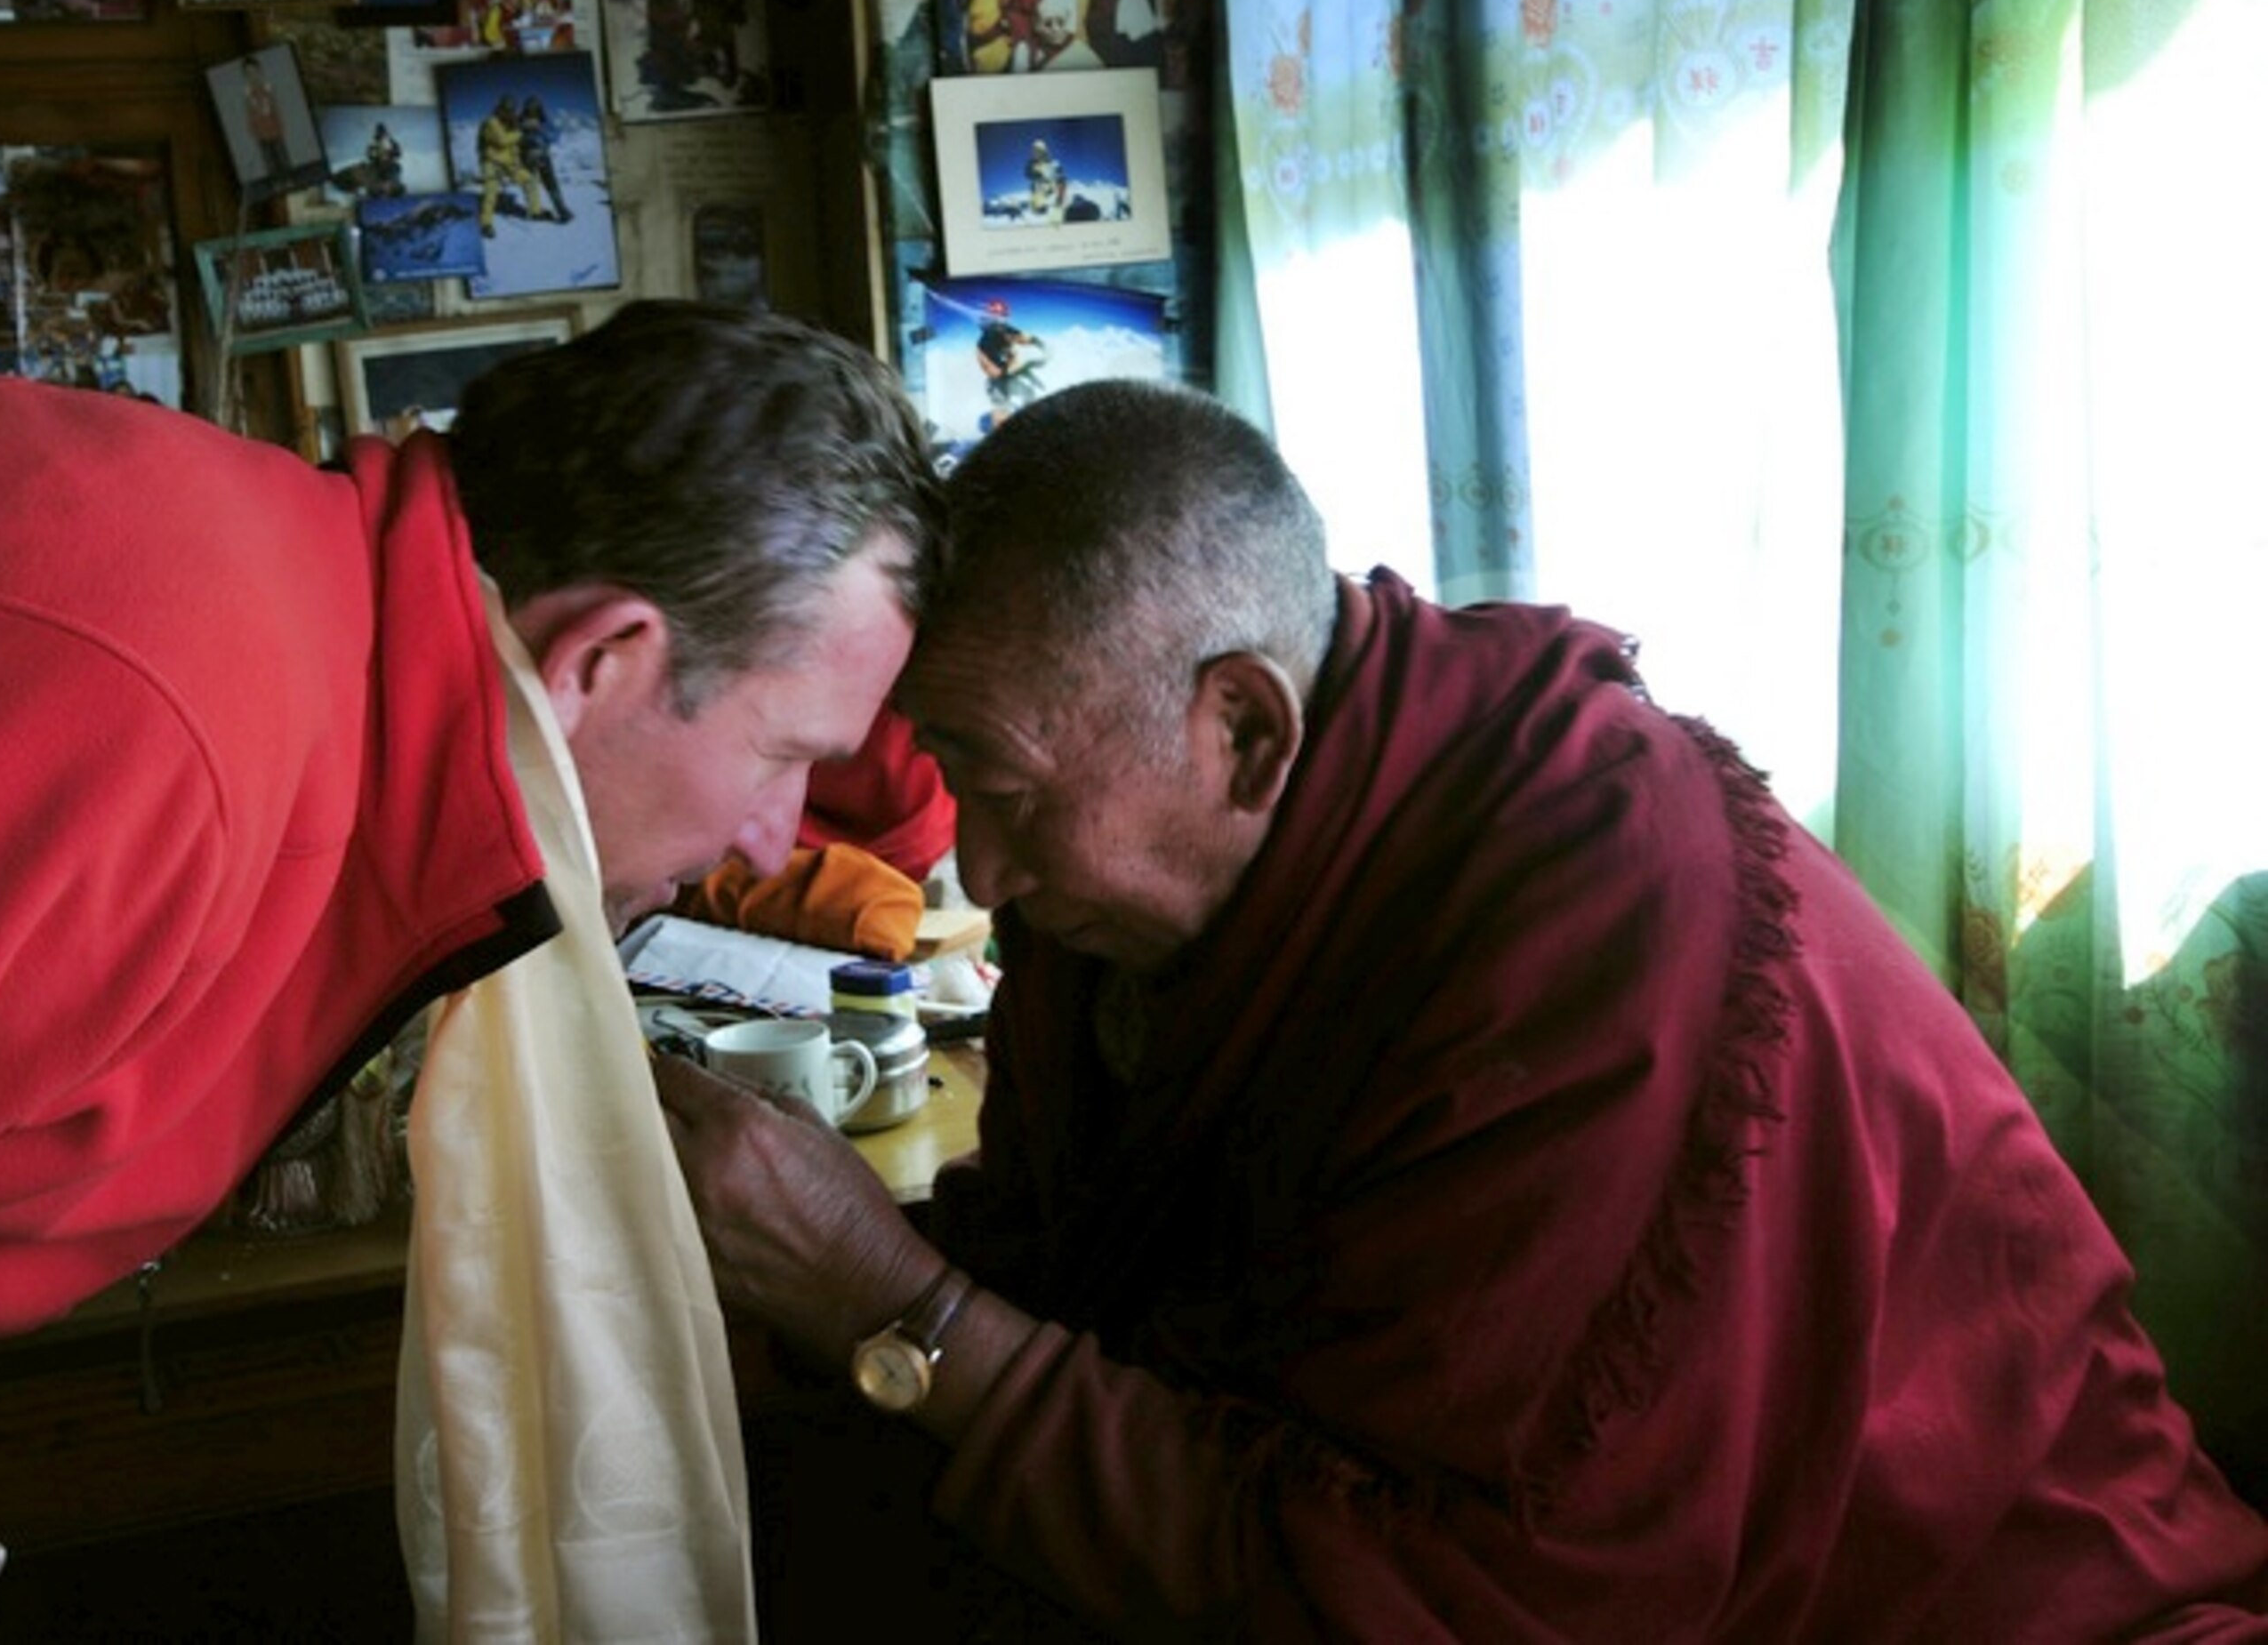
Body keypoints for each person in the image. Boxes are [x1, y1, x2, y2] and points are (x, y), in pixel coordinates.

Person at [654, 379, 2268, 1641]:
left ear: (1242, 729)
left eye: (1006, 793)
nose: (983, 875)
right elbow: (1090, 1283)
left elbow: (1446, 1594)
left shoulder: (1598, 910)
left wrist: (890, 1303)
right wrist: (796, 1293)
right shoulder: (1159, 885)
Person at [0, 301, 943, 1641]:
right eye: (787, 755)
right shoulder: (138, 703)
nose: (772, 832)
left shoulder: (311, 667)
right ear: (603, 660)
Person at [472, 92, 541, 235]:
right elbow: (502, 140)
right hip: (491, 163)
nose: (510, 112)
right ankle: (486, 224)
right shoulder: (491, 122)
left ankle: (535, 211)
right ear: (501, 108)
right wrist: (521, 133)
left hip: (508, 164)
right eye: (508, 109)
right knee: (491, 193)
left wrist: (516, 165)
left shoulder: (511, 125)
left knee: (529, 180)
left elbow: (513, 148)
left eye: (512, 109)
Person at [518, 94, 571, 222]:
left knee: (534, 184)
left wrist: (536, 131)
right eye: (531, 107)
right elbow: (555, 136)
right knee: (548, 184)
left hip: (531, 156)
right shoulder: (542, 121)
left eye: (534, 107)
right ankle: (559, 210)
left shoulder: (522, 122)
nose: (532, 110)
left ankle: (539, 211)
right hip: (539, 156)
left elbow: (555, 135)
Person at [239, 55, 291, 178]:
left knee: (282, 157)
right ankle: (276, 182)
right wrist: (252, 129)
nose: (252, 76)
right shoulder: (248, 94)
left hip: (275, 130)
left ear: (260, 71)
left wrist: (281, 125)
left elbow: (275, 108)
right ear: (245, 76)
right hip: (261, 133)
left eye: (254, 72)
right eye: (248, 73)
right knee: (269, 161)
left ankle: (288, 179)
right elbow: (249, 113)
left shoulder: (268, 89)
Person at [1022, 137, 1066, 218]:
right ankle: (1039, 206)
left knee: (1059, 181)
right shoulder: (1031, 164)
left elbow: (1061, 178)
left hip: (1051, 187)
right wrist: (1036, 174)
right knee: (1038, 210)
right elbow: (1027, 174)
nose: (1036, 154)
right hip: (1039, 188)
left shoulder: (1053, 163)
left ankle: (1056, 202)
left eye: (1039, 151)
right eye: (1035, 151)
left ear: (1044, 151)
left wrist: (1060, 198)